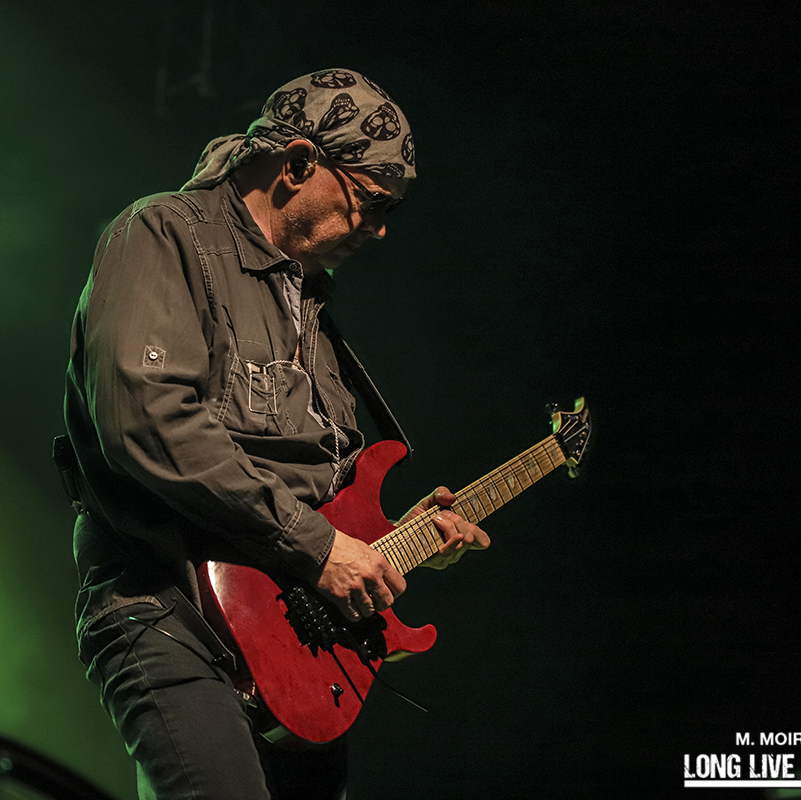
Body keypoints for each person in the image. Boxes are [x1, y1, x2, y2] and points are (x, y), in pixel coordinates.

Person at [62, 69, 490, 800]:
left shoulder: (310, 299)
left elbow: (316, 486)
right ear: (297, 164)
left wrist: (388, 539)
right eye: (373, 201)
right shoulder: (164, 233)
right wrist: (318, 546)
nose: (381, 228)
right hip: (168, 612)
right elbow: (145, 419)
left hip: (293, 641)